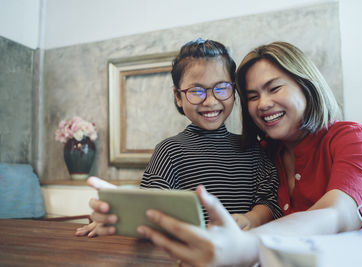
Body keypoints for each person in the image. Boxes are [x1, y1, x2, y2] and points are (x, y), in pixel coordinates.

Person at [88, 41, 362, 266]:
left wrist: (243, 243)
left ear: (306, 85)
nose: (263, 103)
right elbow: (154, 199)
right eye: (252, 95)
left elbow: (332, 216)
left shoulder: (355, 140)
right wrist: (122, 211)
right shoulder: (268, 152)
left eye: (274, 88)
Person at [76, 38, 282, 237]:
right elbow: (150, 204)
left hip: (240, 253)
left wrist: (252, 219)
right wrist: (120, 214)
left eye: (221, 88)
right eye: (196, 91)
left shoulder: (253, 149)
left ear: (234, 92)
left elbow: (269, 201)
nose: (210, 101)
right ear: (178, 96)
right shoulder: (169, 150)